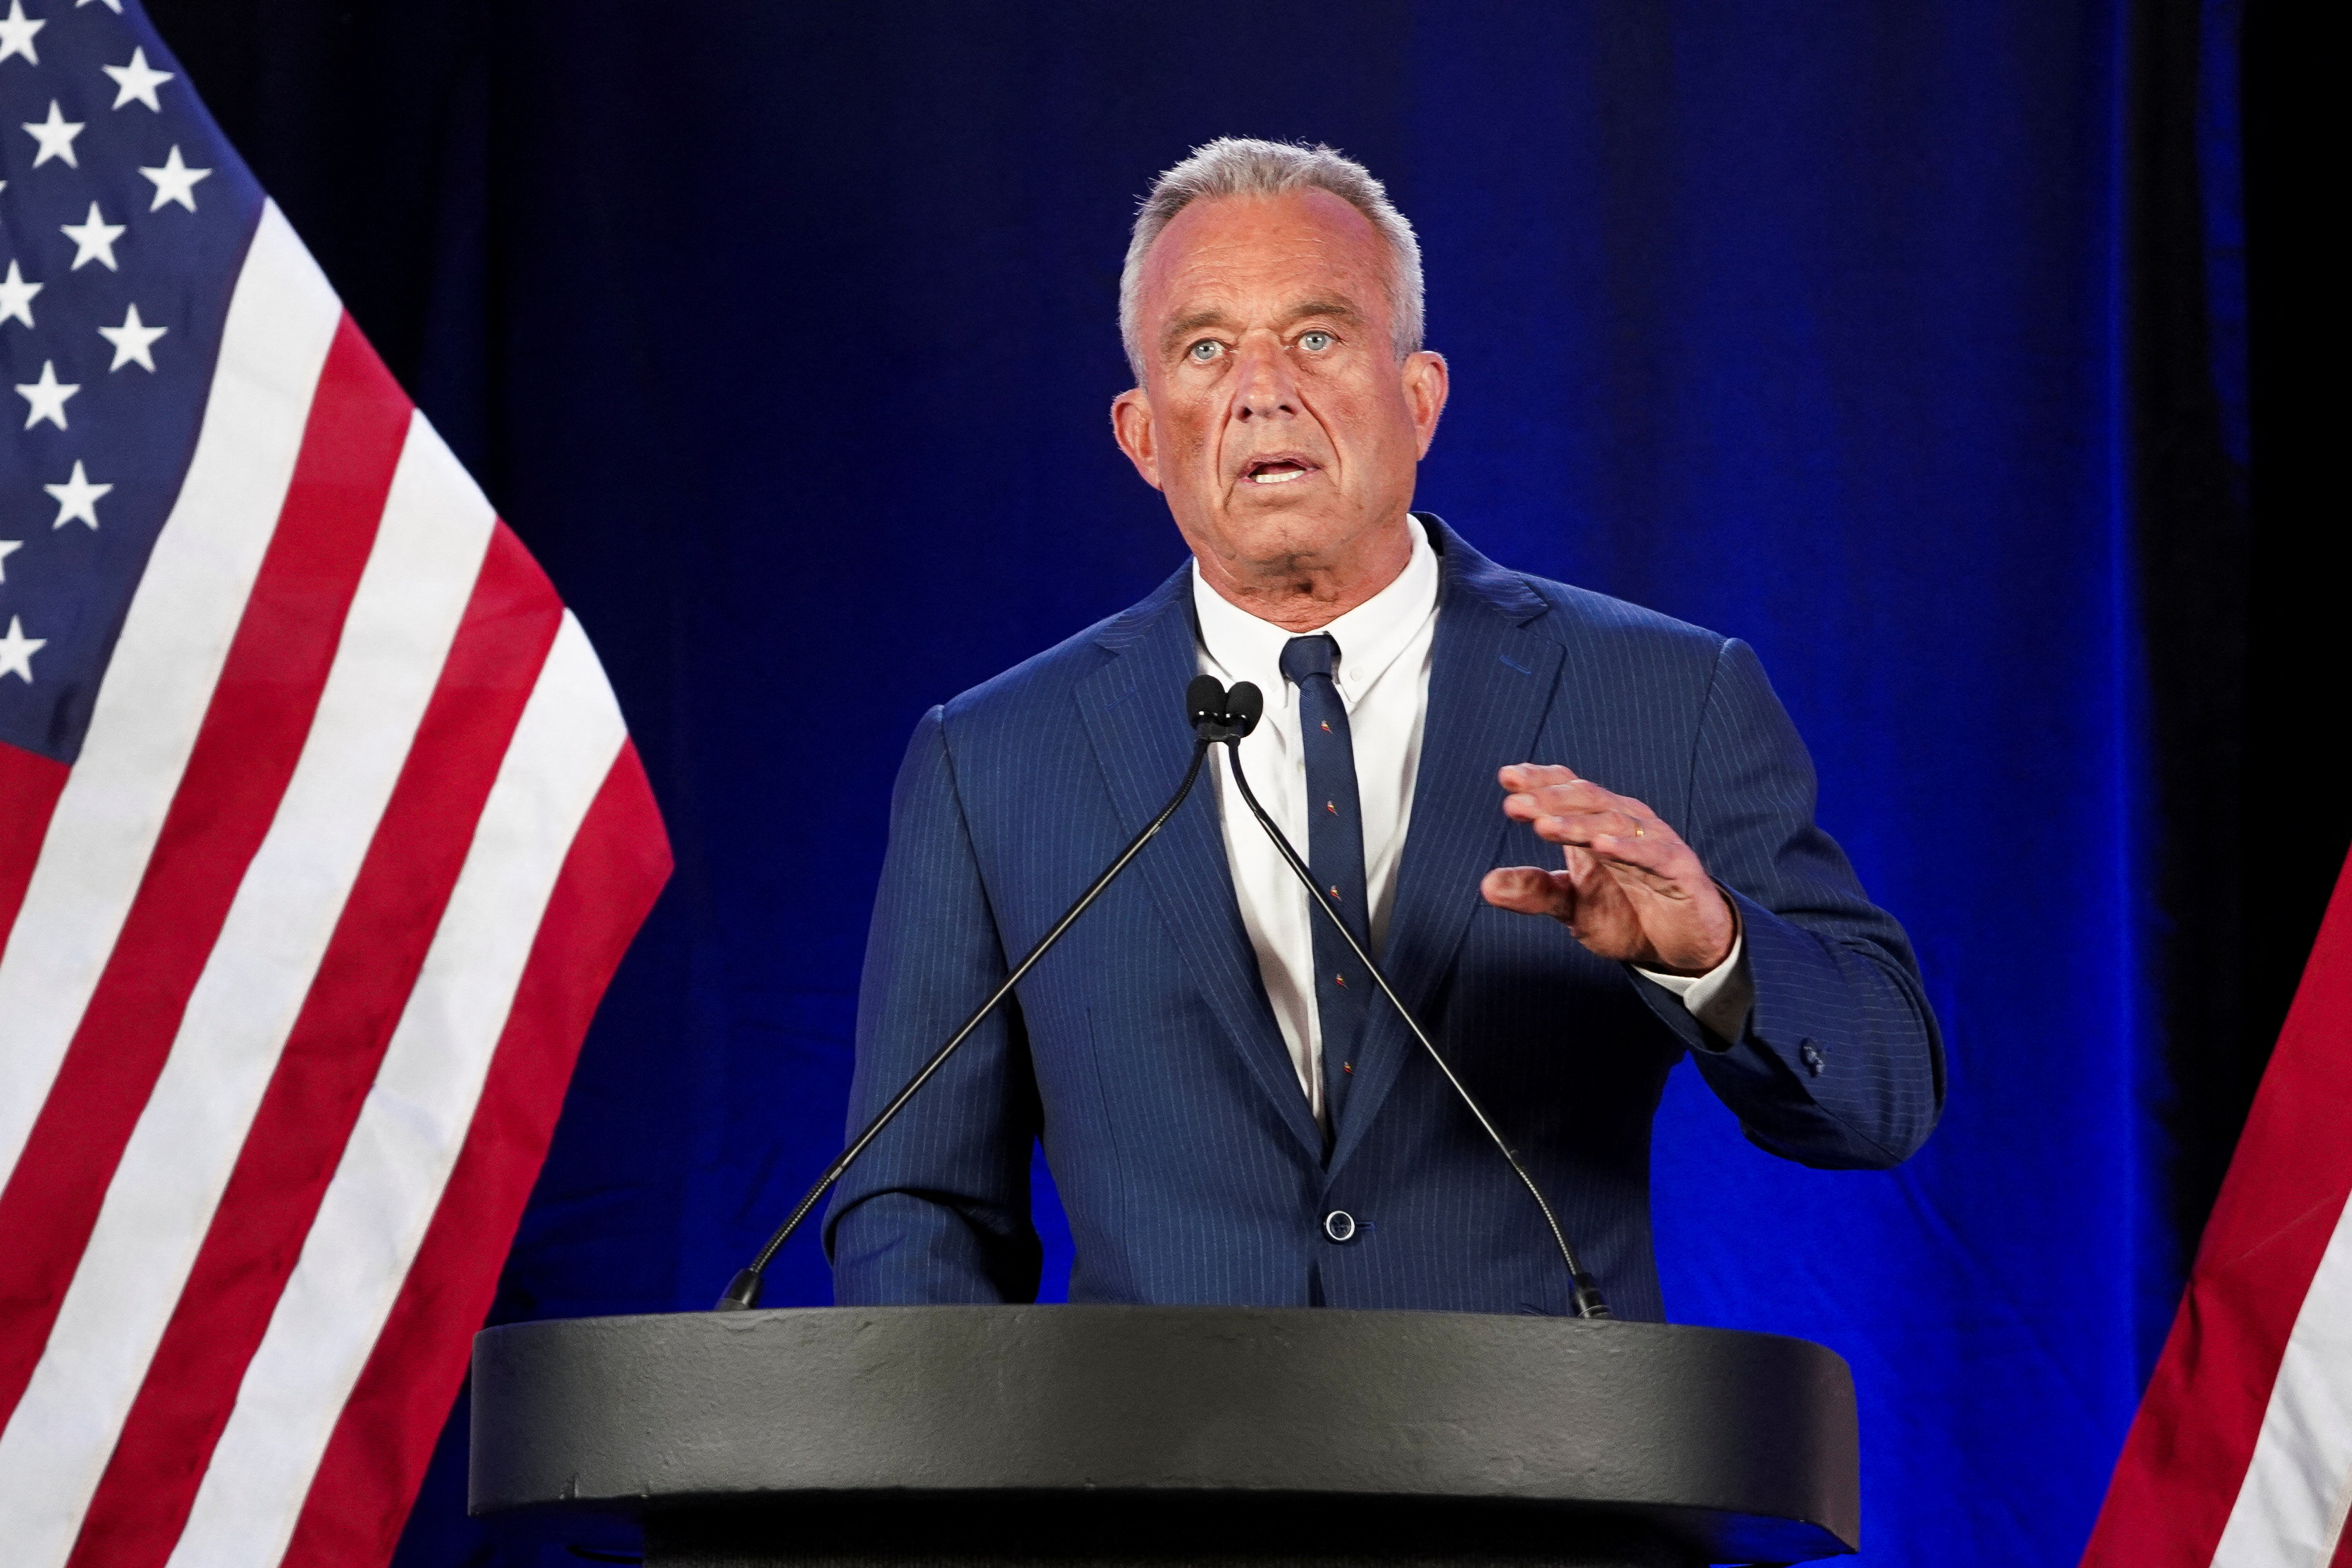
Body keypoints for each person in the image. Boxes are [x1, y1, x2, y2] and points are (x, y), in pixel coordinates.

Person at [826, 139, 1942, 1320]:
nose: (1262, 388)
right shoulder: (993, 759)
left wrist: (1710, 947)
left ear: (1418, 399)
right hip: (1154, 1489)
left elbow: (1883, 1095)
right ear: (1142, 435)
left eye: (1316, 336)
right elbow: (917, 1206)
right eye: (1203, 349)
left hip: (1539, 1485)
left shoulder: (1668, 693)